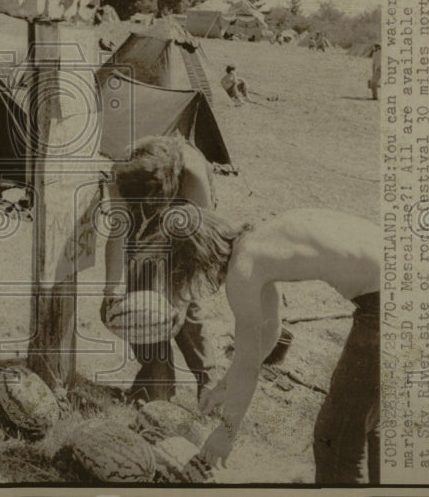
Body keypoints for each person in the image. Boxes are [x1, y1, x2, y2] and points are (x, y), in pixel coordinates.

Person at [168, 207, 380, 484]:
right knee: (368, 424)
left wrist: (227, 432)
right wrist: (223, 387)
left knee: (335, 441)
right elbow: (270, 333)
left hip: (386, 304)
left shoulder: (242, 270)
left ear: (198, 259)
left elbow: (247, 364)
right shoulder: (256, 245)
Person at [102, 136, 219, 403]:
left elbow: (199, 254)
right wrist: (111, 291)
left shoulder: (193, 176)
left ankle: (208, 379)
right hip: (150, 197)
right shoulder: (120, 171)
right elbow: (118, 234)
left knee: (185, 308)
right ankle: (157, 381)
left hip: (190, 224)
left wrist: (179, 303)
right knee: (139, 293)